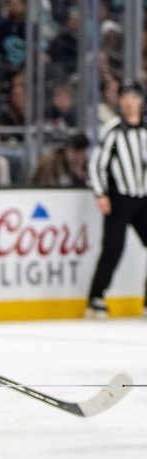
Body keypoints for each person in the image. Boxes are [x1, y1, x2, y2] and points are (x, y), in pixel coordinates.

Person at [86, 81, 147, 319]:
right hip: (119, 197)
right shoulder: (112, 129)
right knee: (113, 248)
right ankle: (96, 297)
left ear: (141, 101)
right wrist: (101, 193)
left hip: (143, 197)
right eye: (124, 97)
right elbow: (97, 165)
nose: (128, 102)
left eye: (133, 97)